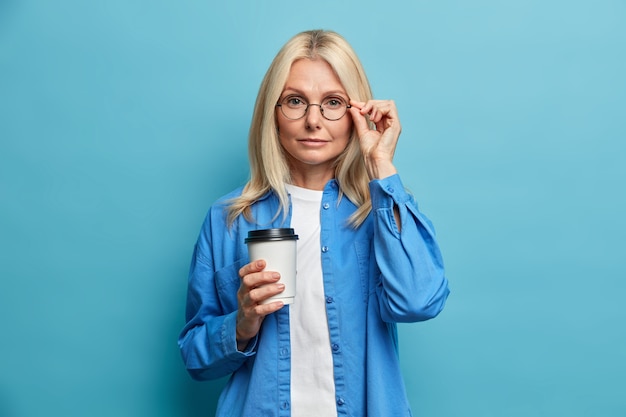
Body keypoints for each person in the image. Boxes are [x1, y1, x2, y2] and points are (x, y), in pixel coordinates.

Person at [178, 29, 450, 417]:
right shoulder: (229, 219)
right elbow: (194, 359)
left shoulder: (382, 212)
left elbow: (420, 302)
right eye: (295, 101)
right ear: (272, 112)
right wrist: (242, 322)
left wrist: (382, 168)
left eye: (333, 103)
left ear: (358, 113)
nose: (313, 120)